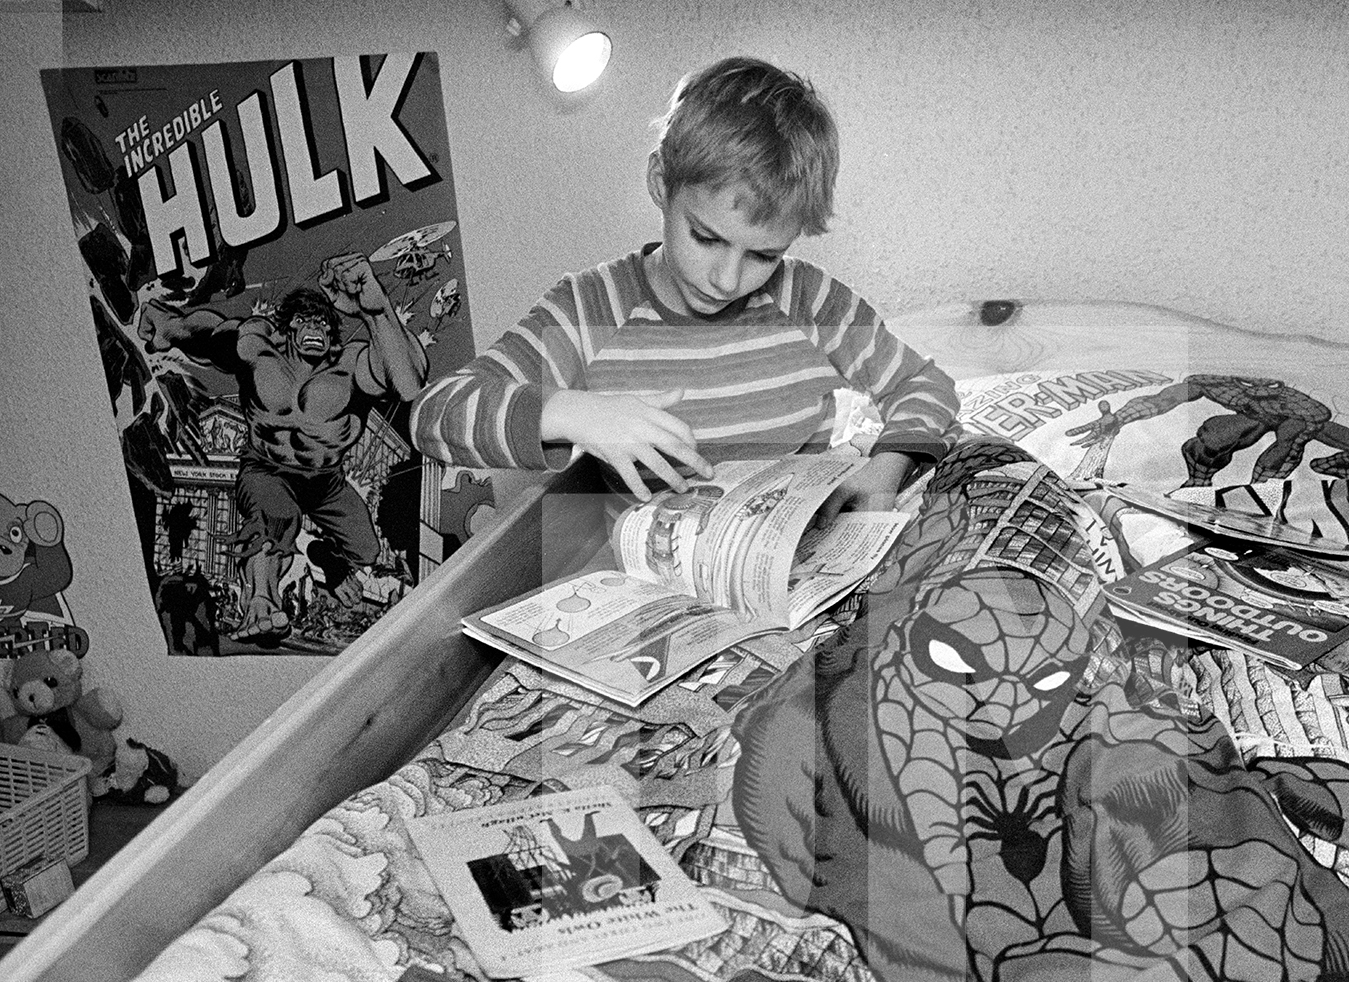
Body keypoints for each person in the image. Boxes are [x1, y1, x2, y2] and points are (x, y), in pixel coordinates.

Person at [410, 56, 958, 523]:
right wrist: (571, 412)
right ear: (660, 185)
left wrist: (886, 468)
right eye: (705, 237)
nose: (726, 279)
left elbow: (923, 384)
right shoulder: (591, 309)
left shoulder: (808, 301)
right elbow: (434, 414)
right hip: (654, 591)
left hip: (795, 576)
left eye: (764, 255)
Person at [139, 252, 429, 639]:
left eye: (323, 323)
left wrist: (376, 310)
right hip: (266, 469)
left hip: (326, 482)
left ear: (332, 338)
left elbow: (409, 384)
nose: (314, 327)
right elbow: (205, 334)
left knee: (366, 551)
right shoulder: (257, 351)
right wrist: (166, 325)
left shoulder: (350, 366)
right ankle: (261, 602)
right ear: (286, 329)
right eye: (303, 320)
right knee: (274, 519)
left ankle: (323, 556)